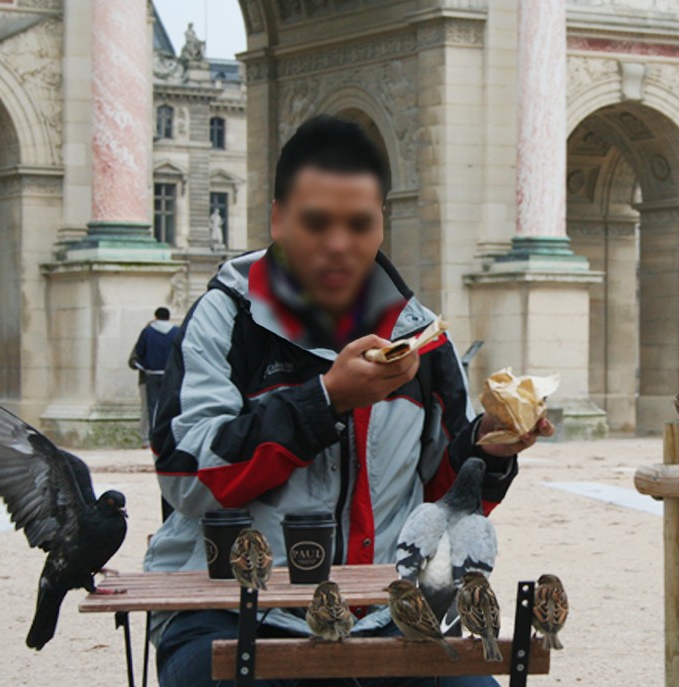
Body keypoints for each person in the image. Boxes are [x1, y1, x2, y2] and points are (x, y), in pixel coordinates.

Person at [144, 115, 554, 687]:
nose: (339, 244)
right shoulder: (224, 318)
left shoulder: (421, 335)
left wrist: (489, 448)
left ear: (381, 222)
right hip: (232, 605)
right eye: (317, 222)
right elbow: (189, 478)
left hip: (390, 613)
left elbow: (442, 502)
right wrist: (326, 400)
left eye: (359, 223)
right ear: (278, 219)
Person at [129, 307, 180, 440]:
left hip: (151, 374)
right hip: (169, 375)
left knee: (152, 407)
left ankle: (152, 436)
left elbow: (139, 352)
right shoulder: (176, 332)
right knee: (168, 406)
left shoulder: (148, 332)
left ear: (156, 316)